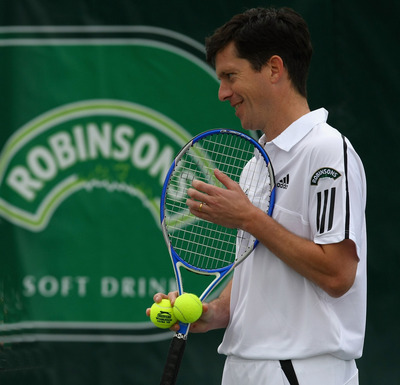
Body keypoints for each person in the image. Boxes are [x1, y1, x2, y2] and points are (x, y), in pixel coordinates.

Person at [147, 7, 367, 385]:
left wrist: (249, 217)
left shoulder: (327, 151)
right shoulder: (256, 162)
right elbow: (260, 269)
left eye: (231, 76)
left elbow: (338, 274)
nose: (222, 93)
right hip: (244, 366)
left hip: (302, 369)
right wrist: (215, 311)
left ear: (274, 69)